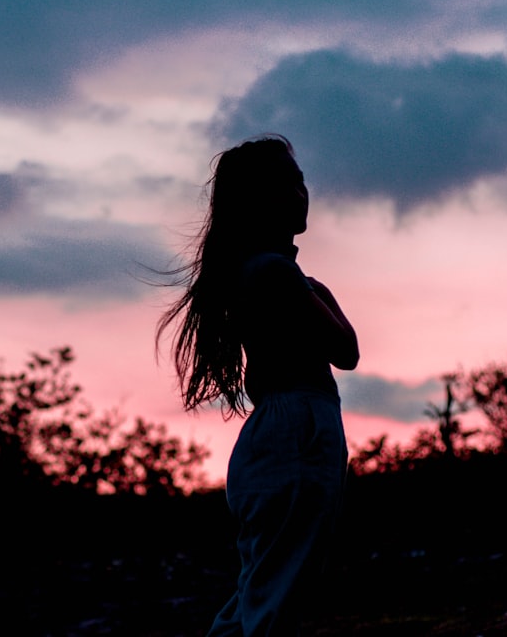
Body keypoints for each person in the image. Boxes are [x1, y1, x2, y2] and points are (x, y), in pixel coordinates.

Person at [156, 135, 359, 636]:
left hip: (285, 428)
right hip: (298, 426)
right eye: (288, 183)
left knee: (262, 589)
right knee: (276, 595)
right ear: (260, 199)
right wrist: (314, 289)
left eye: (302, 180)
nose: (302, 192)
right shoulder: (274, 272)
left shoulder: (265, 272)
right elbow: (346, 349)